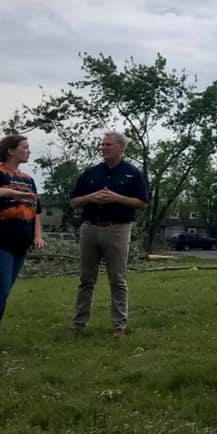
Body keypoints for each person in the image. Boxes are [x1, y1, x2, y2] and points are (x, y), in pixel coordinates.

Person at [69, 132, 148, 338]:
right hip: (90, 228)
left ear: (121, 148)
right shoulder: (91, 173)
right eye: (102, 144)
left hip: (117, 229)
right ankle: (78, 323)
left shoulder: (133, 174)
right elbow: (74, 201)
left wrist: (116, 198)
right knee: (86, 279)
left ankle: (119, 325)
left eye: (108, 145)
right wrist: (91, 197)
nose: (103, 148)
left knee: (117, 279)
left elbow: (142, 203)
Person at [0, 135, 44, 354]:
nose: (28, 151)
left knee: (1, 293)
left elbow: (36, 210)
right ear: (11, 151)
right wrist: (12, 192)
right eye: (25, 147)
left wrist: (37, 235)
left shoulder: (28, 179)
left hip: (20, 245)